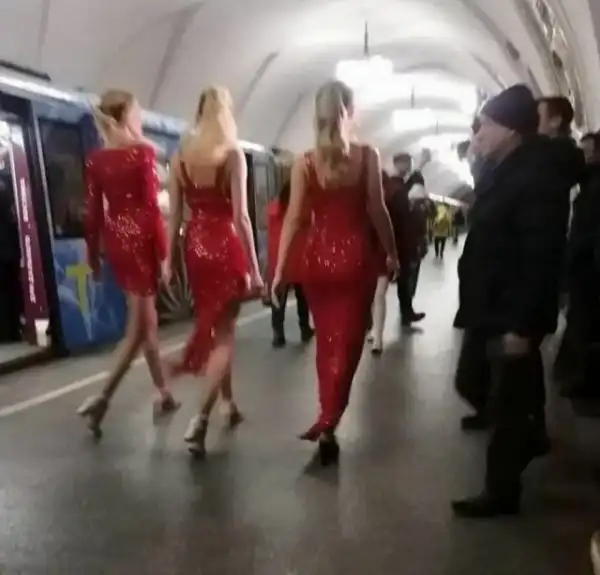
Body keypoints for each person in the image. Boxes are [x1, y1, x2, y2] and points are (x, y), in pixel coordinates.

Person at [452, 84, 583, 518]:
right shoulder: (506, 168)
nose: (479, 134)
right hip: (490, 305)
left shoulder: (536, 177)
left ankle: (502, 491)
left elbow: (541, 254)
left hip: (511, 309)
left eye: (487, 125)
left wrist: (523, 326)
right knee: (480, 383)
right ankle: (530, 435)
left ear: (510, 129)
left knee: (505, 401)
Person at [272, 80, 398, 465]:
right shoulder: (367, 156)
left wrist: (280, 270)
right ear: (350, 111)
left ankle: (326, 414)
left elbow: (294, 219)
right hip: (356, 260)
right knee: (350, 343)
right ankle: (329, 418)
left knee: (327, 341)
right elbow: (377, 209)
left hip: (317, 262)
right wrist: (391, 253)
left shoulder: (305, 162)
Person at [166, 86, 263, 457]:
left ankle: (228, 404)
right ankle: (200, 419)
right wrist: (255, 269)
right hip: (225, 245)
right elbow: (241, 217)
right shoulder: (232, 155)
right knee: (224, 337)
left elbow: (175, 217)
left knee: (216, 326)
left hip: (195, 248)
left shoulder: (180, 158)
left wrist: (169, 261)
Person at [77, 90, 179, 437]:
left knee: (147, 323)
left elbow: (92, 215)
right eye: (137, 113)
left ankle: (164, 393)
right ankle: (102, 399)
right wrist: (163, 256)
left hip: (117, 243)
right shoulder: (142, 153)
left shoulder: (96, 161)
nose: (140, 119)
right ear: (124, 117)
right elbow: (151, 210)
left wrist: (93, 255)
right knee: (137, 331)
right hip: (141, 244)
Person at [266, 175, 314, 347]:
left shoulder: (273, 208)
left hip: (278, 257)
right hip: (298, 257)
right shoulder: (303, 208)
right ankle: (304, 329)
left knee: (278, 298)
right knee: (303, 297)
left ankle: (278, 334)